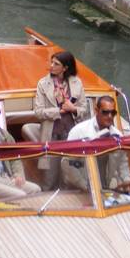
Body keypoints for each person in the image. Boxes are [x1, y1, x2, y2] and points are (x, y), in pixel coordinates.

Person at [32, 50, 88, 188]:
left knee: (71, 171)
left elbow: (84, 109)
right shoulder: (43, 84)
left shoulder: (77, 83)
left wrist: (73, 109)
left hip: (72, 135)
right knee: (50, 175)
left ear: (65, 67)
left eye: (56, 64)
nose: (51, 65)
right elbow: (38, 112)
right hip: (52, 134)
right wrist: (59, 111)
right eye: (51, 62)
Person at [63, 95, 130, 191]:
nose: (109, 116)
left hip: (106, 187)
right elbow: (67, 163)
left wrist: (127, 180)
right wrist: (85, 186)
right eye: (105, 112)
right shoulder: (78, 131)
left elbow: (122, 163)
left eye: (113, 113)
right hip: (79, 188)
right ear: (96, 111)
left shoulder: (118, 136)